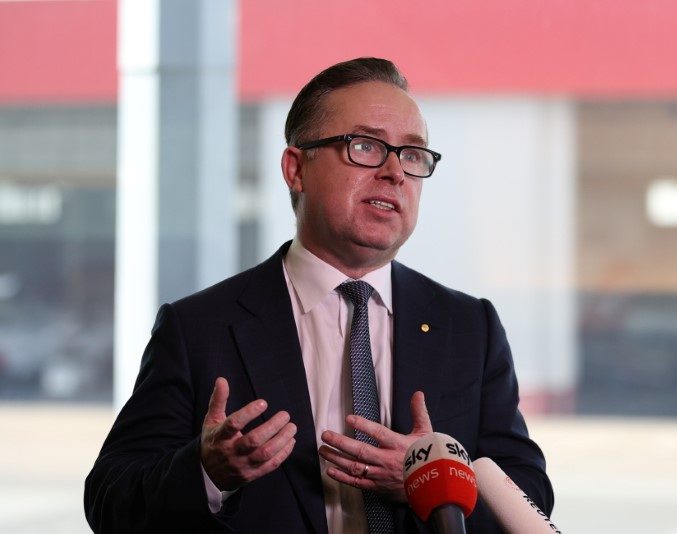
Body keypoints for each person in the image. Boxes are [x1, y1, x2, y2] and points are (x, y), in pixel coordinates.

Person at [85, 57, 553, 533]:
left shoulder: (468, 326)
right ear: (295, 169)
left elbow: (530, 496)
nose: (395, 172)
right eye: (366, 146)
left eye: (412, 154)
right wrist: (207, 472)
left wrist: (431, 480)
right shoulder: (198, 329)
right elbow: (111, 500)